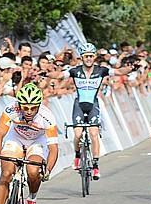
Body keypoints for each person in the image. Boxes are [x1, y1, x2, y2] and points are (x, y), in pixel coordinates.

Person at [47, 42, 130, 179]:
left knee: (93, 133)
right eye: (86, 56)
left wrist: (131, 68)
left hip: (93, 105)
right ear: (82, 57)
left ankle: (96, 165)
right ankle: (77, 156)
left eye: (91, 56)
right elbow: (60, 75)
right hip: (79, 104)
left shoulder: (101, 70)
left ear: (95, 57)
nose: (89, 59)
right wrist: (47, 74)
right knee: (78, 133)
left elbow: (119, 72)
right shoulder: (75, 70)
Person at [0, 84, 58, 204]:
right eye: (25, 108)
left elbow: (53, 149)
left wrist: (48, 170)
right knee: (6, 173)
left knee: (33, 171)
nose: (29, 112)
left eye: (33, 108)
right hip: (16, 139)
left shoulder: (47, 117)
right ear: (19, 105)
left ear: (38, 106)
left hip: (37, 142)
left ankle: (32, 199)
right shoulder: (11, 110)